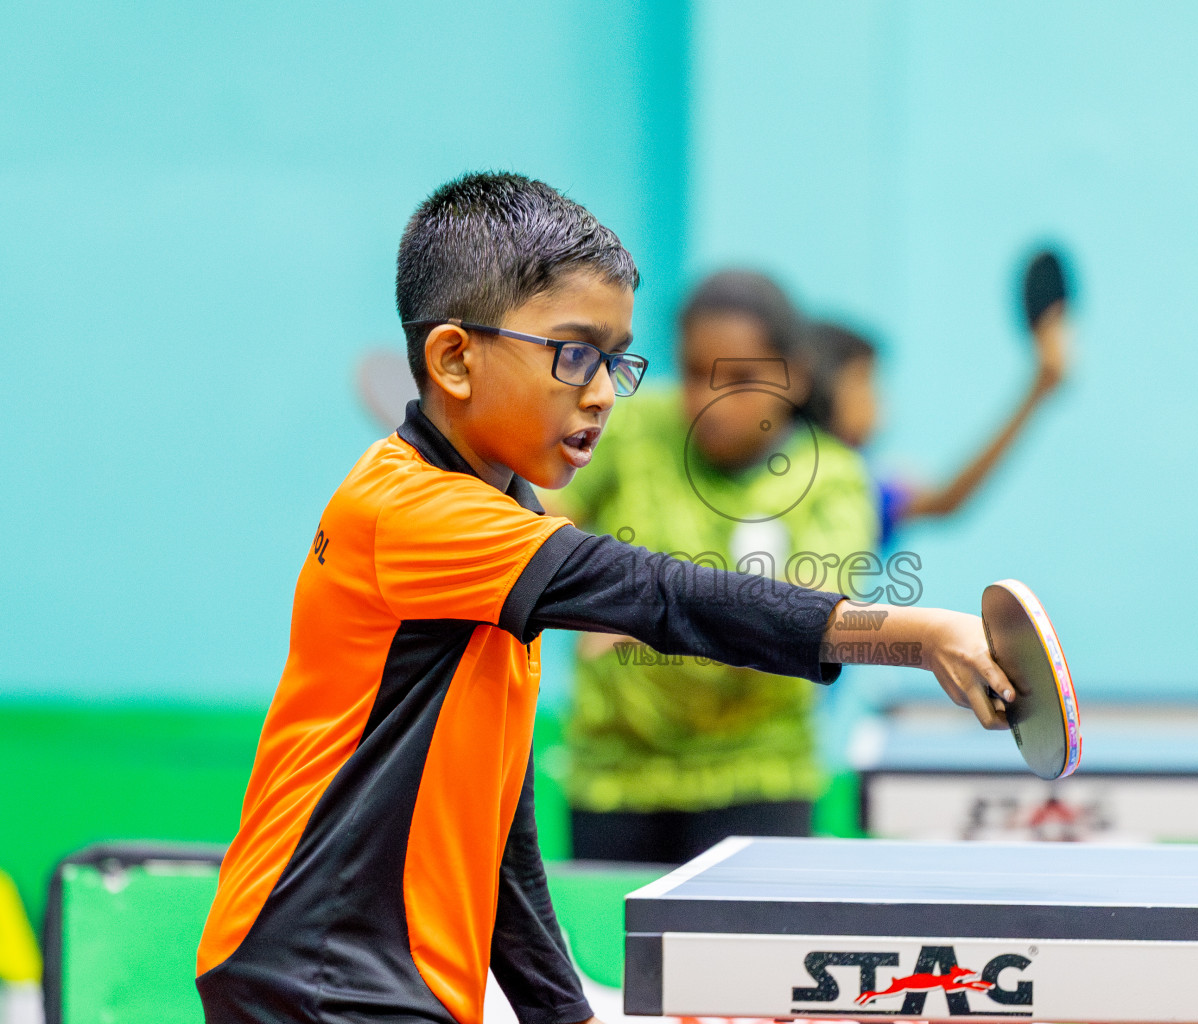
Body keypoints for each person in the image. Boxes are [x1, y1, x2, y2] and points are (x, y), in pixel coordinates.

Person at [194, 172, 1016, 1024]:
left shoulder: (501, 523)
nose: (601, 394)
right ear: (453, 358)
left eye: (617, 361)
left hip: (374, 976)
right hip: (320, 968)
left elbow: (499, 837)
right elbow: (661, 594)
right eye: (573, 353)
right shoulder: (418, 512)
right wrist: (916, 634)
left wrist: (567, 1016)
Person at [544, 270, 876, 863]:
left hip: (758, 776)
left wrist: (641, 611)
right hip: (615, 775)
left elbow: (806, 615)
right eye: (694, 373)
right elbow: (542, 517)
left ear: (793, 377)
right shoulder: (636, 429)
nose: (707, 402)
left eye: (741, 379)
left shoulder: (834, 479)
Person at [803, 270, 1071, 549]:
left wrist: (1038, 390)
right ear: (822, 387)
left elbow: (944, 499)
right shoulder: (819, 476)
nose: (880, 401)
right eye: (865, 382)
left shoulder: (866, 479)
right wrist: (1036, 390)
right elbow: (944, 500)